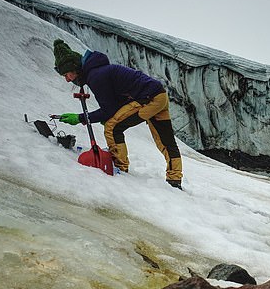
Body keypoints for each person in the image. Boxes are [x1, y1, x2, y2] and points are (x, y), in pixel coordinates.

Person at [53, 39, 183, 189]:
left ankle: (120, 169)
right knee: (166, 141)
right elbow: (116, 103)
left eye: (67, 74)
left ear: (74, 68)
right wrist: (105, 114)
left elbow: (109, 110)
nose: (67, 79)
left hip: (148, 98)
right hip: (159, 95)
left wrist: (79, 118)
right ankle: (175, 180)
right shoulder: (99, 71)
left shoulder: (96, 76)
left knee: (112, 127)